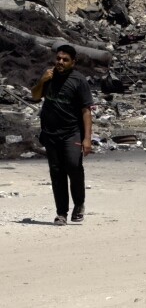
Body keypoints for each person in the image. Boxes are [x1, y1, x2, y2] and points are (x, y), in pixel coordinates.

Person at [31, 44, 94, 226]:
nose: (60, 62)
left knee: (74, 166)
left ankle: (79, 204)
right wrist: (42, 81)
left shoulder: (79, 81)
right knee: (56, 172)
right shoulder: (49, 76)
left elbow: (86, 110)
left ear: (73, 63)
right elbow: (35, 96)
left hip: (71, 132)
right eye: (58, 58)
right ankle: (61, 213)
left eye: (65, 60)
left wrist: (87, 138)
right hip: (50, 133)